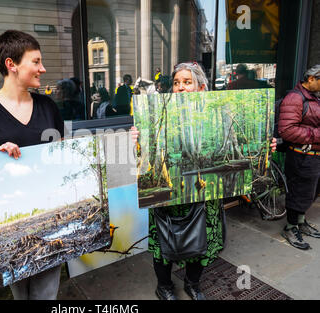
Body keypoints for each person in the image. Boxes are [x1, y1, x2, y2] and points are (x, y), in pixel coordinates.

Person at [130, 62, 277, 300]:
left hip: (205, 195)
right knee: (164, 245)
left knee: (204, 243)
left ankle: (192, 283)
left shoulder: (216, 113)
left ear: (200, 88)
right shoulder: (158, 112)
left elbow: (237, 146)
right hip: (169, 197)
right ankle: (164, 286)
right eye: (177, 83)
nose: (181, 88)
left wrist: (264, 145)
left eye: (187, 82)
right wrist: (136, 140)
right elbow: (145, 158)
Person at [0, 30, 64, 300]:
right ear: (12, 64)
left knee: (46, 290)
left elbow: (62, 153)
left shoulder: (49, 106)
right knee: (20, 290)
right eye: (36, 61)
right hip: (9, 216)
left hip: (49, 213)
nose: (43, 68)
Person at [279, 65, 320, 250]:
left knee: (308, 193)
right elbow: (287, 131)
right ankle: (290, 227)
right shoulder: (295, 98)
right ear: (311, 78)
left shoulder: (313, 97)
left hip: (313, 154)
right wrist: (317, 135)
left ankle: (301, 222)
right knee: (298, 193)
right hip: (302, 155)